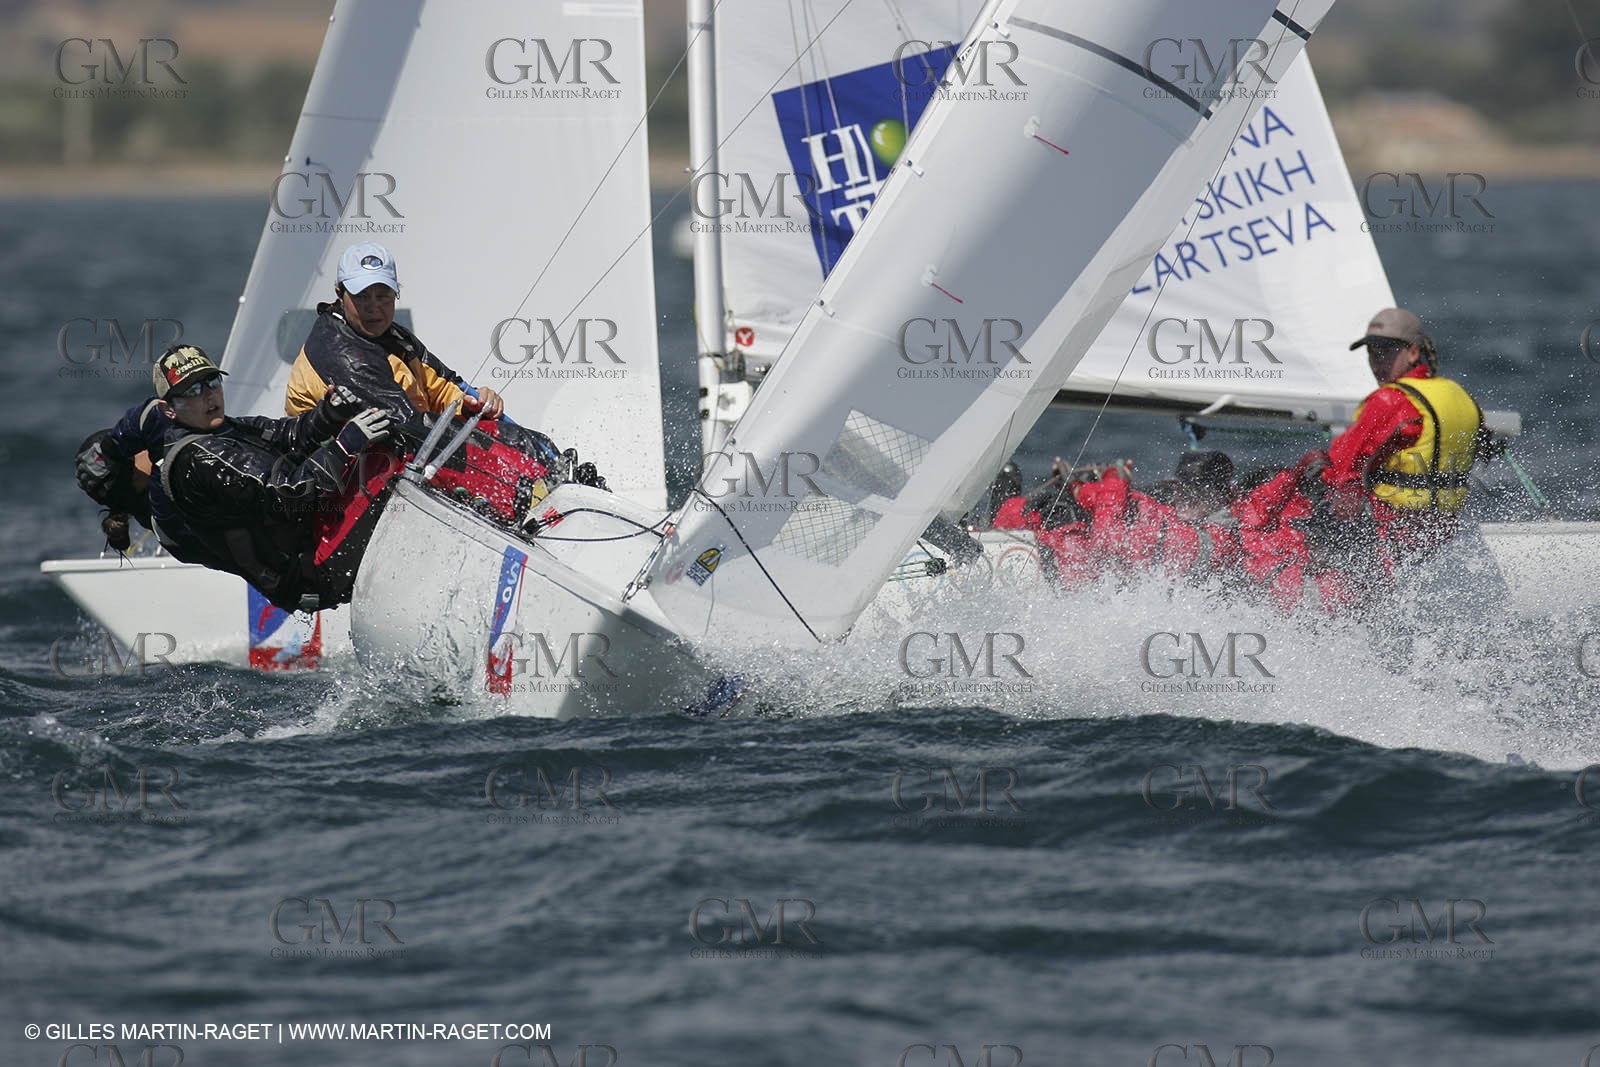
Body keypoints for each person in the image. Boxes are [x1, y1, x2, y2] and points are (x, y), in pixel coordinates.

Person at [152, 344, 396, 611]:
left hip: (316, 537)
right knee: (388, 460)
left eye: (212, 381)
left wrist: (328, 414)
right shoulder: (198, 459)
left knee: (390, 442)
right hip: (309, 573)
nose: (209, 395)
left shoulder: (230, 428)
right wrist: (344, 445)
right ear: (169, 410)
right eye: (192, 391)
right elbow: (286, 494)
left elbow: (287, 435)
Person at [1316, 307, 1486, 560]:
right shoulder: (1459, 395)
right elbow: (1484, 448)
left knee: (1285, 501)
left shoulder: (1391, 400)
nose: (1377, 363)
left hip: (1391, 533)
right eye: (1372, 354)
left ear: (1414, 352)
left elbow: (1340, 463)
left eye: (1386, 352)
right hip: (1441, 534)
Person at [284, 241, 503, 425]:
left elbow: (443, 389)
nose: (374, 307)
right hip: (345, 470)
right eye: (362, 296)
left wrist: (471, 405)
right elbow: (406, 429)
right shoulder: (339, 352)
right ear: (339, 294)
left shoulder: (393, 336)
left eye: (383, 295)